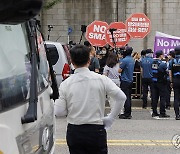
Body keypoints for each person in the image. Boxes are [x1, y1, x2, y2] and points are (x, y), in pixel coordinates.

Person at [54, 44, 126, 154]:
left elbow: (59, 112)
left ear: (72, 62)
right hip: (96, 130)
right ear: (89, 60)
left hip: (75, 129)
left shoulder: (66, 84)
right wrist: (111, 117)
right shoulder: (101, 79)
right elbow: (121, 97)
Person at [151, 50, 170, 118]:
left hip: (153, 81)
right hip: (161, 82)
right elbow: (166, 72)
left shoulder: (152, 62)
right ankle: (162, 112)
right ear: (161, 55)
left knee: (154, 98)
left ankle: (154, 112)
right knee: (162, 97)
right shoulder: (162, 64)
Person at [118, 47, 135, 119]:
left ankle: (126, 113)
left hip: (125, 80)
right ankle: (128, 112)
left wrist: (120, 61)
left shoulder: (124, 60)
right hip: (130, 80)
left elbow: (119, 70)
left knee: (125, 97)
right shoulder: (132, 59)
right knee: (129, 97)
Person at [168, 46, 180, 120]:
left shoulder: (171, 61)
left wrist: (171, 81)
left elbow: (170, 73)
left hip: (175, 80)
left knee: (176, 97)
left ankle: (177, 115)